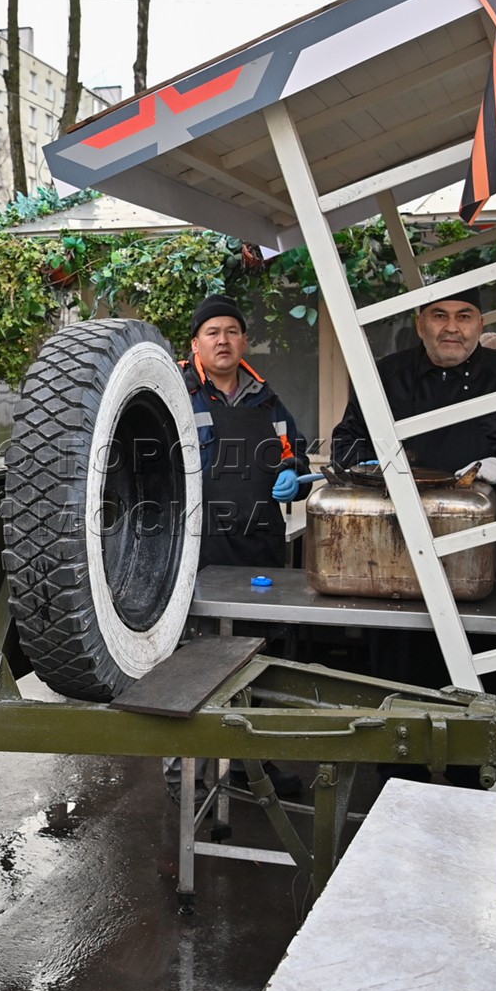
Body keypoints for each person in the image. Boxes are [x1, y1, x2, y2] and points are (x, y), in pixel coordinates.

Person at [165, 294, 308, 808]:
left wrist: (296, 475)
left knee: (257, 657)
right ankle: (184, 768)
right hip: (194, 550)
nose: (222, 340)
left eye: (231, 330)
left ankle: (254, 764)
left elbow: (296, 451)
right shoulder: (174, 393)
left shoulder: (266, 399)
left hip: (258, 548)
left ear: (243, 340)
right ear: (195, 344)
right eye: (212, 332)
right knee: (192, 657)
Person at [329, 288, 496, 578]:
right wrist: (374, 466)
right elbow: (346, 442)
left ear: (480, 325)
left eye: (464, 316)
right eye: (440, 316)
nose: (452, 328)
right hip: (398, 543)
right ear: (420, 325)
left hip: (495, 542)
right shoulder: (387, 375)